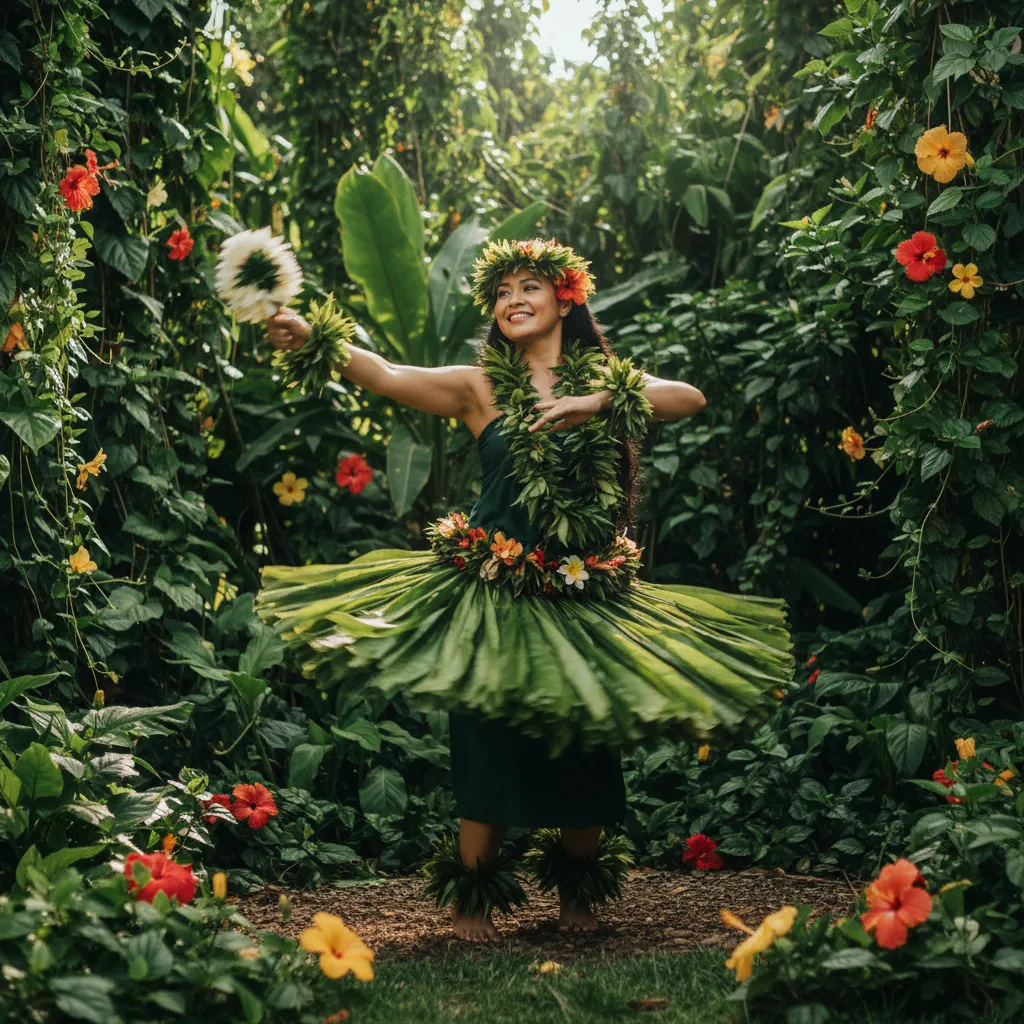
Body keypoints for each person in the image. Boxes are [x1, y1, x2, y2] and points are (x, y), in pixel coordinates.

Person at [261, 237, 794, 942]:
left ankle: (579, 898)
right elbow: (387, 373)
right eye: (503, 290)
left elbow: (688, 398)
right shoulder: (481, 386)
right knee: (487, 737)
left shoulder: (607, 379)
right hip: (495, 588)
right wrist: (315, 338)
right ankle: (471, 903)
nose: (513, 298)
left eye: (529, 287)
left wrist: (599, 401)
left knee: (583, 738)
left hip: (582, 593)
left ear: (564, 297)